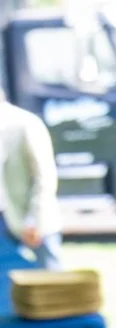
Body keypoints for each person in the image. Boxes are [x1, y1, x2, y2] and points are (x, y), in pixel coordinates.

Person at [0, 86, 61, 270]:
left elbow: (44, 177)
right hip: (4, 220)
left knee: (50, 280)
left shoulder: (25, 124)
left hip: (33, 218)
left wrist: (34, 219)